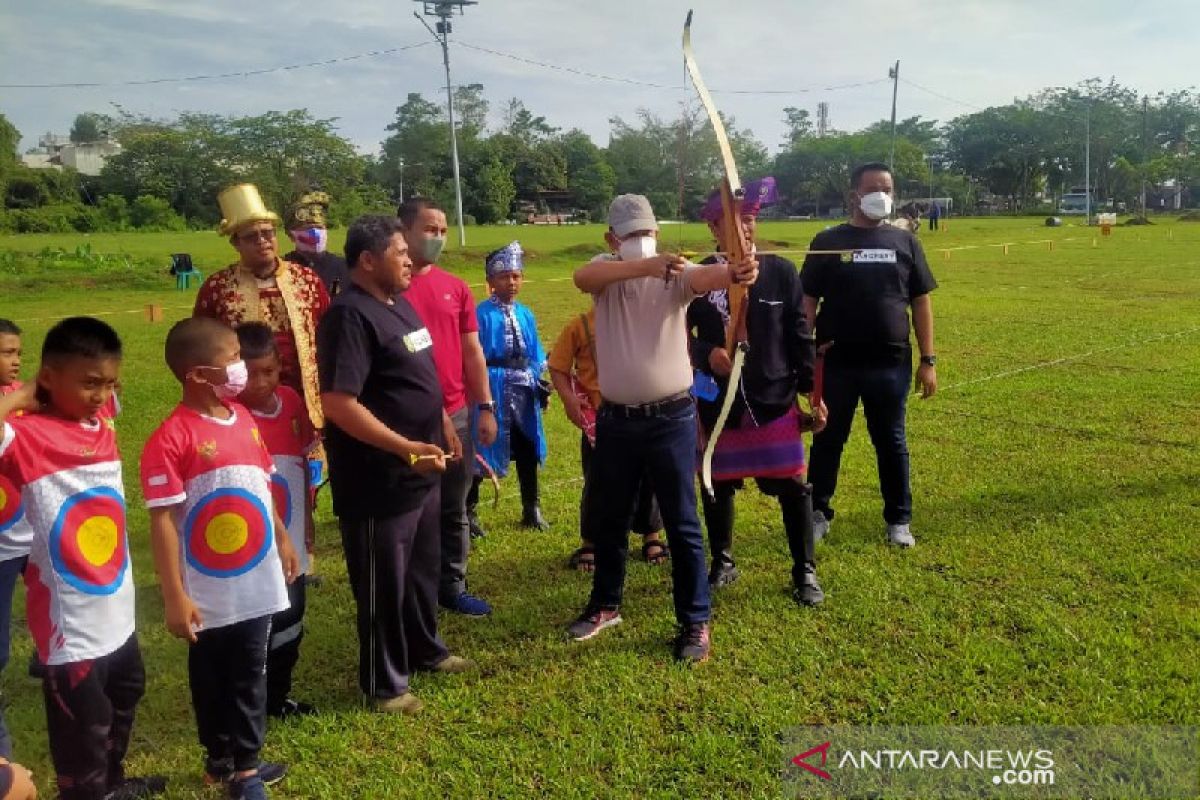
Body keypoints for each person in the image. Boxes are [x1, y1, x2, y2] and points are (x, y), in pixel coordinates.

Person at [566, 194, 757, 663]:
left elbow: (708, 276)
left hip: (670, 417)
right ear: (612, 239)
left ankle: (695, 621)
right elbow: (582, 277)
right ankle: (605, 605)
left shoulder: (676, 274)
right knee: (609, 517)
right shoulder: (605, 273)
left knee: (682, 522)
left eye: (647, 233)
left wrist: (737, 271)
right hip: (616, 419)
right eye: (631, 235)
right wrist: (645, 267)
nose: (642, 242)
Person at [0, 317, 165, 800]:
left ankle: (111, 785)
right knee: (83, 734)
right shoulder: (25, 435)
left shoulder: (100, 423)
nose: (100, 395)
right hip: (71, 626)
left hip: (116, 607)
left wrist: (97, 391)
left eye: (108, 384)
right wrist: (17, 397)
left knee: (125, 696)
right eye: (89, 383)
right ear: (47, 377)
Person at [318, 215, 472, 716]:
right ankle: (383, 684)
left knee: (422, 571)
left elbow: (419, 377)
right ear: (367, 260)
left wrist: (444, 426)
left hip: (423, 468)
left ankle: (425, 649)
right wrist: (402, 445)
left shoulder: (398, 306)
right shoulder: (350, 316)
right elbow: (340, 402)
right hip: (378, 479)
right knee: (383, 580)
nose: (411, 259)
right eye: (400, 252)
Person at [141, 317, 299, 800]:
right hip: (207, 590)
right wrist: (174, 595)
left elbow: (261, 484)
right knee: (210, 675)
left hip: (256, 579)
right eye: (231, 359)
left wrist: (284, 539)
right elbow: (164, 521)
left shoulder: (244, 420)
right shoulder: (169, 439)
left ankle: (246, 769)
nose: (241, 367)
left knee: (252, 668)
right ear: (199, 375)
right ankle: (218, 758)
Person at [687, 177, 826, 605]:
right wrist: (707, 352)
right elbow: (675, 336)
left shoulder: (781, 271)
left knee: (794, 485)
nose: (743, 230)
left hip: (773, 398)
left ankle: (805, 569)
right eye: (731, 222)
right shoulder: (697, 278)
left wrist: (810, 393)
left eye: (749, 220)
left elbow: (800, 334)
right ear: (713, 229)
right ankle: (723, 560)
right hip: (717, 403)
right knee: (716, 484)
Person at [800, 162, 938, 548]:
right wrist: (802, 357)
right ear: (854, 196)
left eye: (888, 189)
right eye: (874, 188)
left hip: (890, 364)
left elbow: (921, 303)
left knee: (891, 441)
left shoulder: (905, 242)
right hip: (836, 363)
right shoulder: (828, 240)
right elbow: (807, 303)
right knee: (828, 439)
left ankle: (899, 520)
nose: (883, 195)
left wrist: (929, 361)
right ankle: (818, 513)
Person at [397, 198, 496, 617]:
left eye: (442, 230)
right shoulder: (388, 290)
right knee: (410, 509)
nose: (437, 237)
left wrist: (485, 406)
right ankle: (407, 589)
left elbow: (472, 351)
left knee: (454, 505)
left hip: (456, 412)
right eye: (429, 229)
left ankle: (452, 584)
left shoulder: (455, 287)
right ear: (403, 231)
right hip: (403, 418)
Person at [193, 183, 330, 435]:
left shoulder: (307, 279)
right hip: (243, 400)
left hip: (306, 398)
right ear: (235, 243)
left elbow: (329, 337)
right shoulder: (217, 287)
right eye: (251, 237)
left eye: (267, 233)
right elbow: (201, 350)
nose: (262, 241)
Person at [235, 323, 318, 720]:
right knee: (257, 628)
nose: (261, 382)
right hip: (254, 544)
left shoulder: (290, 401)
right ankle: (250, 702)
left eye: (268, 371)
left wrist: (307, 527)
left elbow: (304, 460)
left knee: (292, 616)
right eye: (250, 374)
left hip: (294, 536)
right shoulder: (232, 417)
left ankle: (278, 696)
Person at [547, 309, 667, 571]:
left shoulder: (643, 319)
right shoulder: (580, 325)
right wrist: (569, 399)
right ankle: (591, 541)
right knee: (598, 480)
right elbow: (557, 365)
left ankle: (652, 535)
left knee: (648, 476)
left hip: (642, 411)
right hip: (601, 420)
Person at [470, 242, 551, 531]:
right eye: (504, 276)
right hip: (492, 387)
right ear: (490, 281)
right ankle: (470, 513)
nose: (511, 282)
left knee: (527, 446)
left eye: (516, 275)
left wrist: (536, 376)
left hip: (524, 389)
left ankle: (532, 508)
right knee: (482, 446)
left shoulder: (526, 313)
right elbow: (472, 354)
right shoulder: (480, 314)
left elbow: (535, 353)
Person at [0, 319, 26, 759]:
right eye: (6, 352)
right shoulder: (19, 398)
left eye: (19, 351)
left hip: (34, 532)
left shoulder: (21, 397)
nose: (16, 360)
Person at [282, 190, 350, 298]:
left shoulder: (345, 267)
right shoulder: (282, 268)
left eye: (319, 228)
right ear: (292, 235)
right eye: (308, 228)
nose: (315, 233)